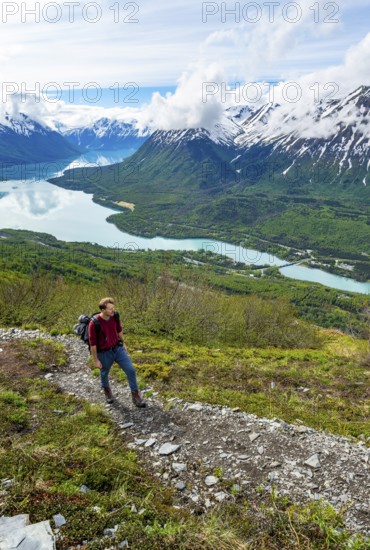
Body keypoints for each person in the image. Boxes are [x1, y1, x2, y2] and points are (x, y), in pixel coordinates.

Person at [88, 297, 146, 407]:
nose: (113, 310)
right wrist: (95, 359)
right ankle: (107, 391)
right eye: (110, 309)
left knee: (131, 370)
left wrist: (123, 342)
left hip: (117, 349)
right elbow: (93, 344)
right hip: (104, 353)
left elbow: (119, 330)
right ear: (103, 310)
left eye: (113, 308)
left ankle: (135, 395)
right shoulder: (94, 323)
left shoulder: (115, 316)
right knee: (104, 373)